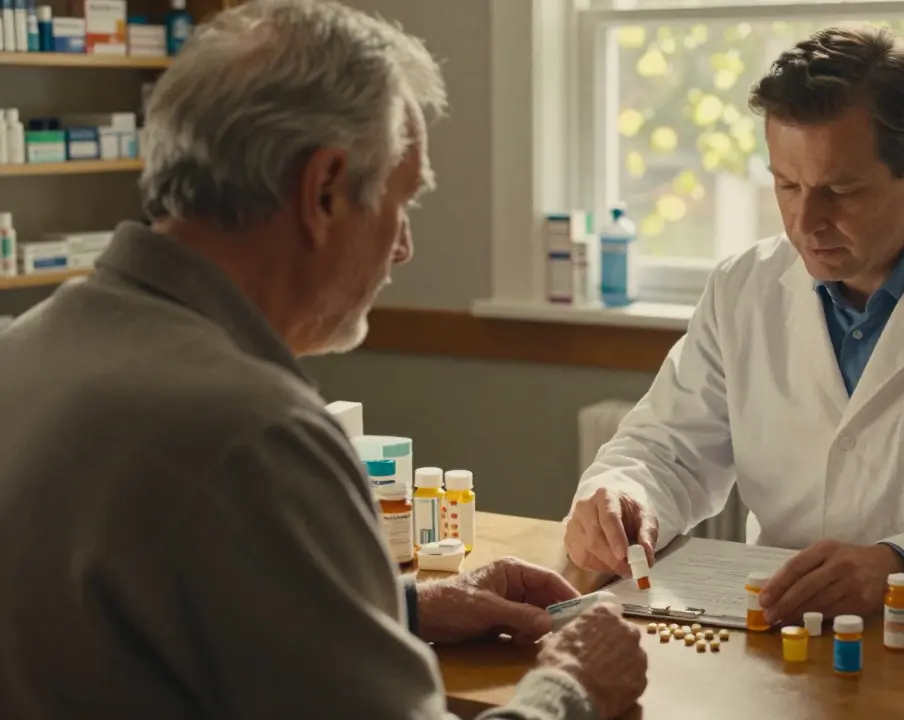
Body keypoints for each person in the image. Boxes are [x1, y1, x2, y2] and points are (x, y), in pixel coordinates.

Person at [0, 1, 645, 718]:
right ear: (325, 191)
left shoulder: (26, 346)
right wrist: (572, 691)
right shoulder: (254, 434)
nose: (402, 247)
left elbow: (151, 621)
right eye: (402, 203)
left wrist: (390, 608)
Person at [565, 25, 904, 620]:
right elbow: (667, 447)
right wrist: (626, 493)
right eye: (787, 185)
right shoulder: (742, 290)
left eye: (840, 191)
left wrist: (899, 566)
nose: (806, 221)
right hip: (773, 636)